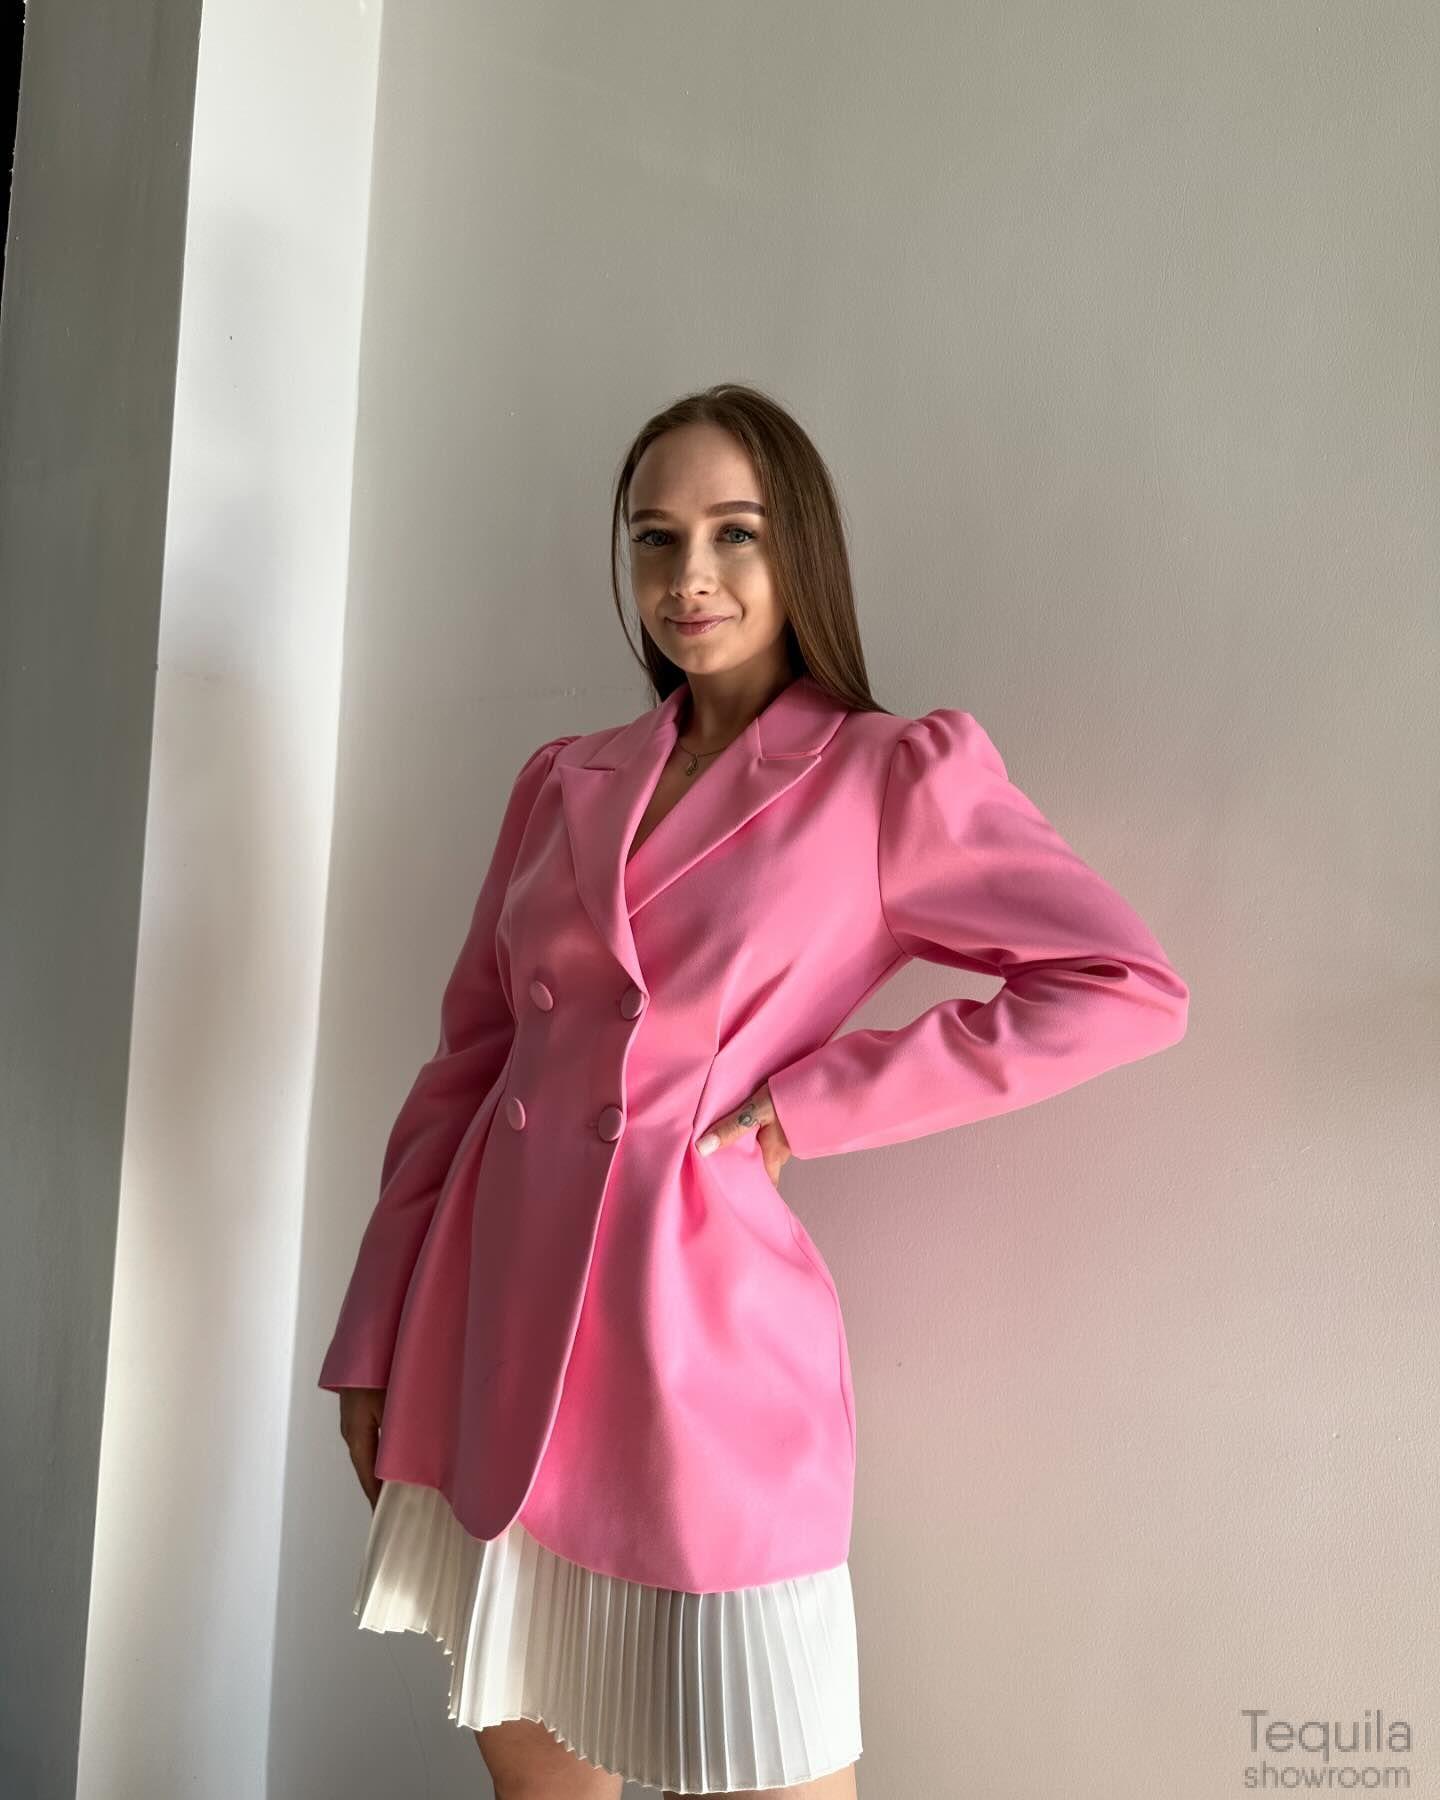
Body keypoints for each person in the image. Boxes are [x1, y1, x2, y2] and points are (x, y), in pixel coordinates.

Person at [319, 382, 1190, 1799]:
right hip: (490, 1324)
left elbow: (1122, 984)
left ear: (802, 553)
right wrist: (372, 1333)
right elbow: (468, 1063)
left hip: (697, 1341)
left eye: (736, 532)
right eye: (656, 539)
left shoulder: (890, 779)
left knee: (775, 1759)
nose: (691, 576)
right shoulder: (564, 780)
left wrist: (810, 1101)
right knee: (540, 1786)